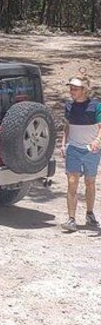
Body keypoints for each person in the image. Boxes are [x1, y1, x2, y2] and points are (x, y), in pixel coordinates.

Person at [60, 74, 101, 233]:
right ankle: (71, 219)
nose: (71, 91)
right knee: (72, 182)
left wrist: (97, 141)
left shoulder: (96, 106)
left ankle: (89, 214)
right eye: (70, 88)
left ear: (84, 90)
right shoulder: (69, 106)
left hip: (91, 150)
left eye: (75, 89)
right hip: (74, 149)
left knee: (90, 182)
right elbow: (67, 126)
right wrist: (64, 144)